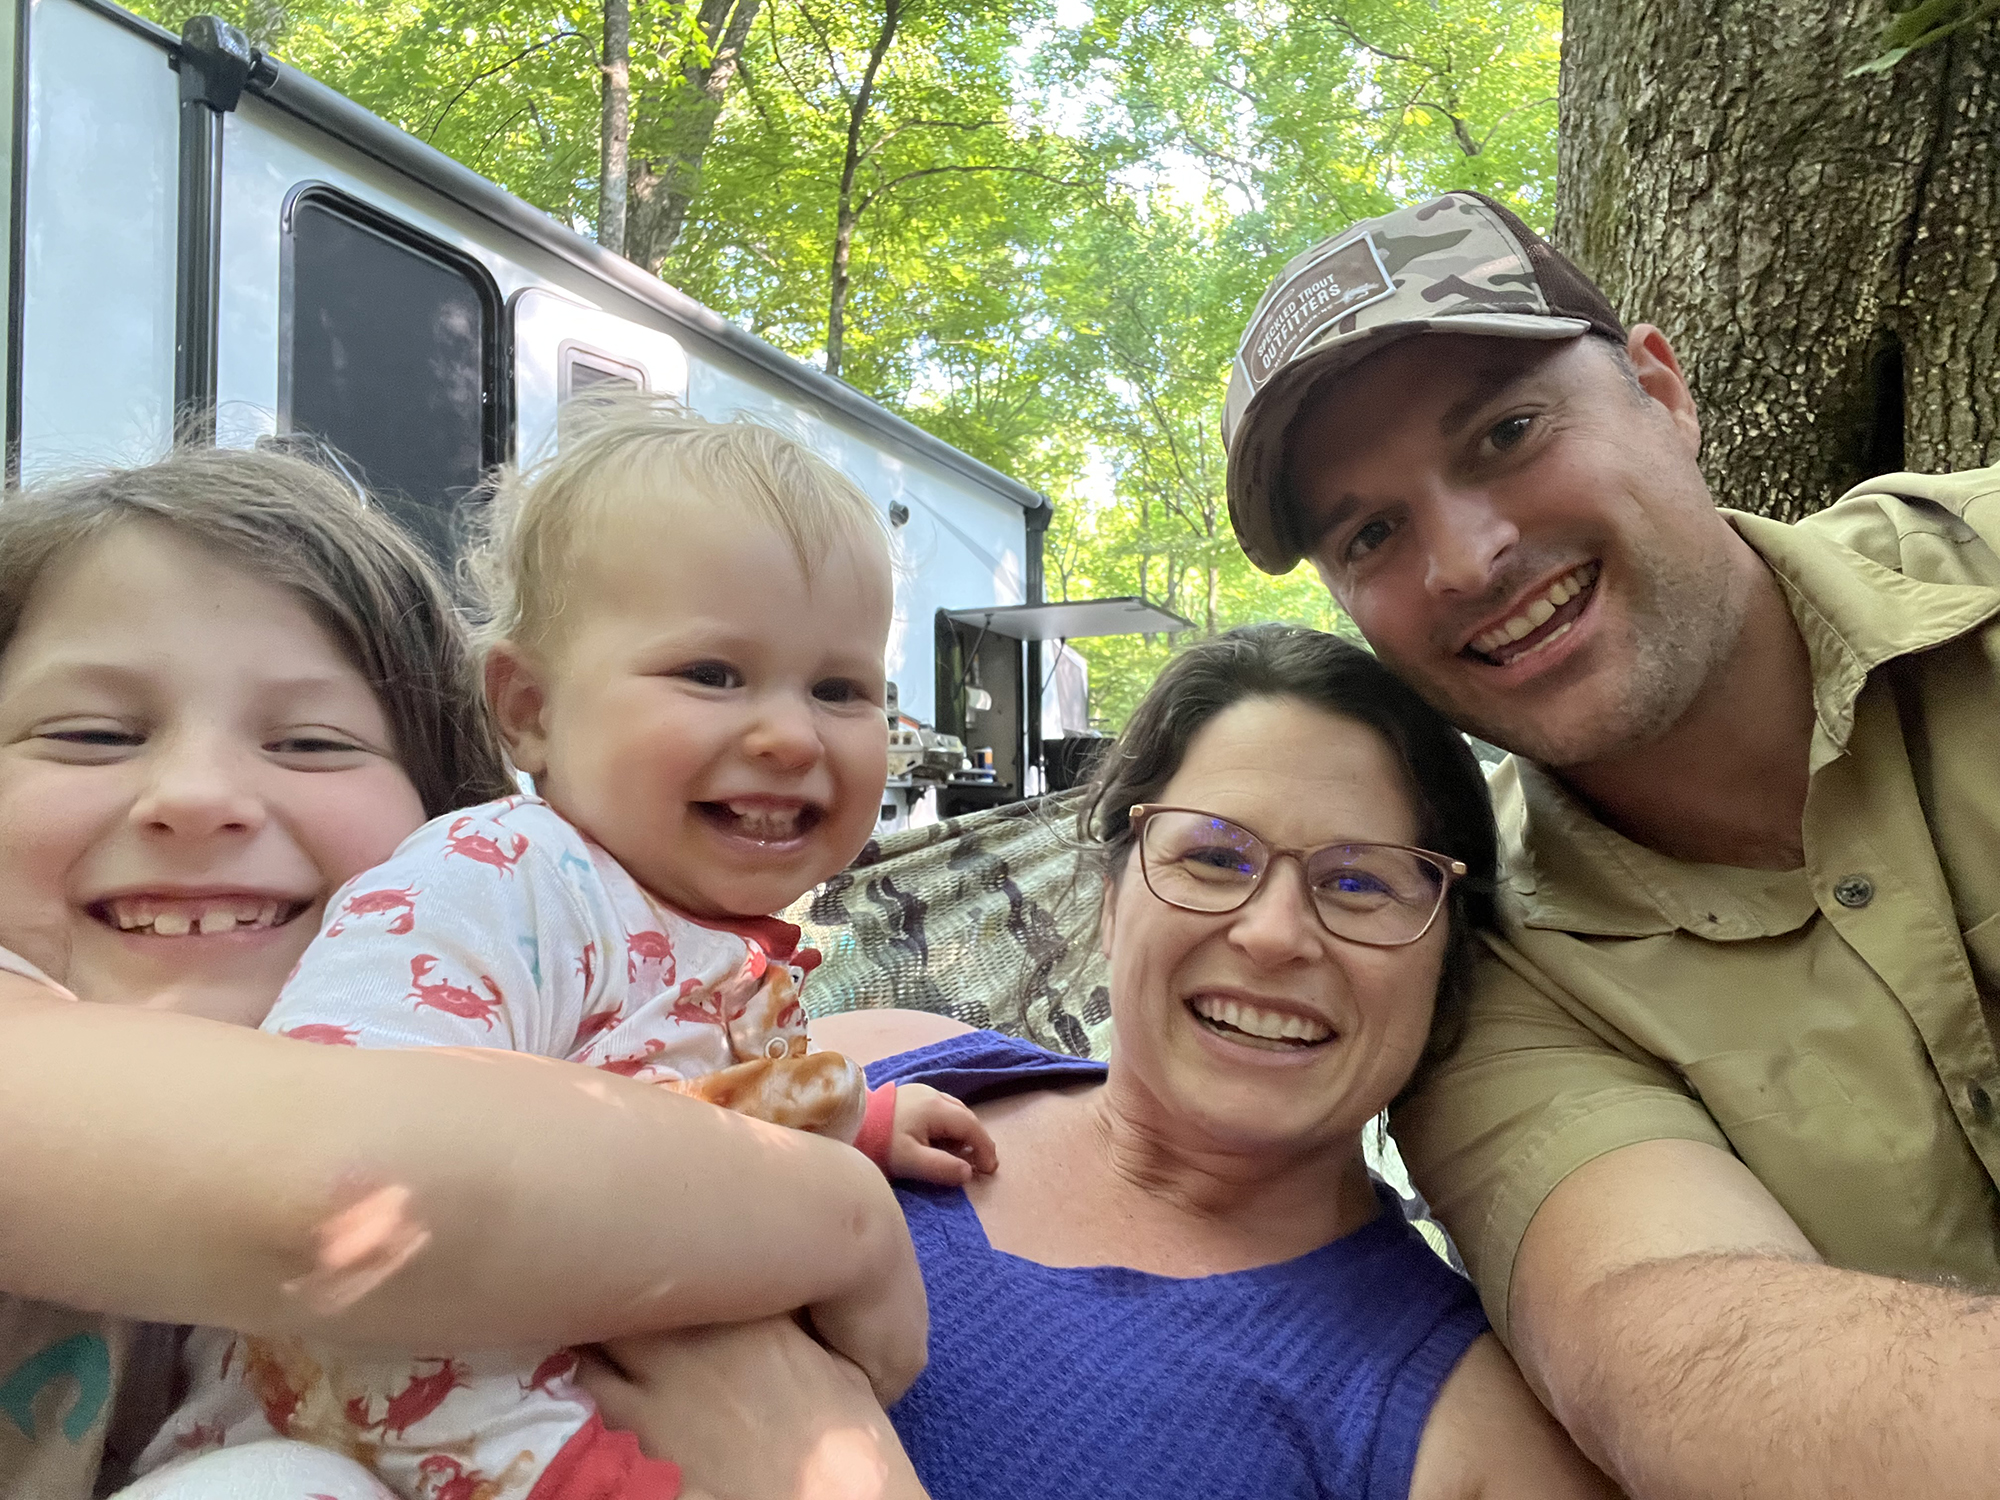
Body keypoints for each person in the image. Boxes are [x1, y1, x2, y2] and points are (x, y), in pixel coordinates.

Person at [1217, 188, 2000, 1497]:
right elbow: (1671, 1343)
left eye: (1508, 431)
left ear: (1662, 389)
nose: (1466, 558)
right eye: (1372, 532)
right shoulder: (1483, 971)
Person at [0, 444, 926, 1499]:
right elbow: (339, 1188)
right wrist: (838, 1216)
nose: (200, 794)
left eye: (309, 743)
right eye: (90, 734)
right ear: (522, 718)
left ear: (433, 790)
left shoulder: (578, 955)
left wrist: (853, 1119)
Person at [583, 625, 1621, 1500]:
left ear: (1449, 961)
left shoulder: (1460, 1435)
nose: (1270, 935)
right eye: (1212, 855)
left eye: (1360, 884)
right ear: (1113, 891)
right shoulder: (863, 1066)